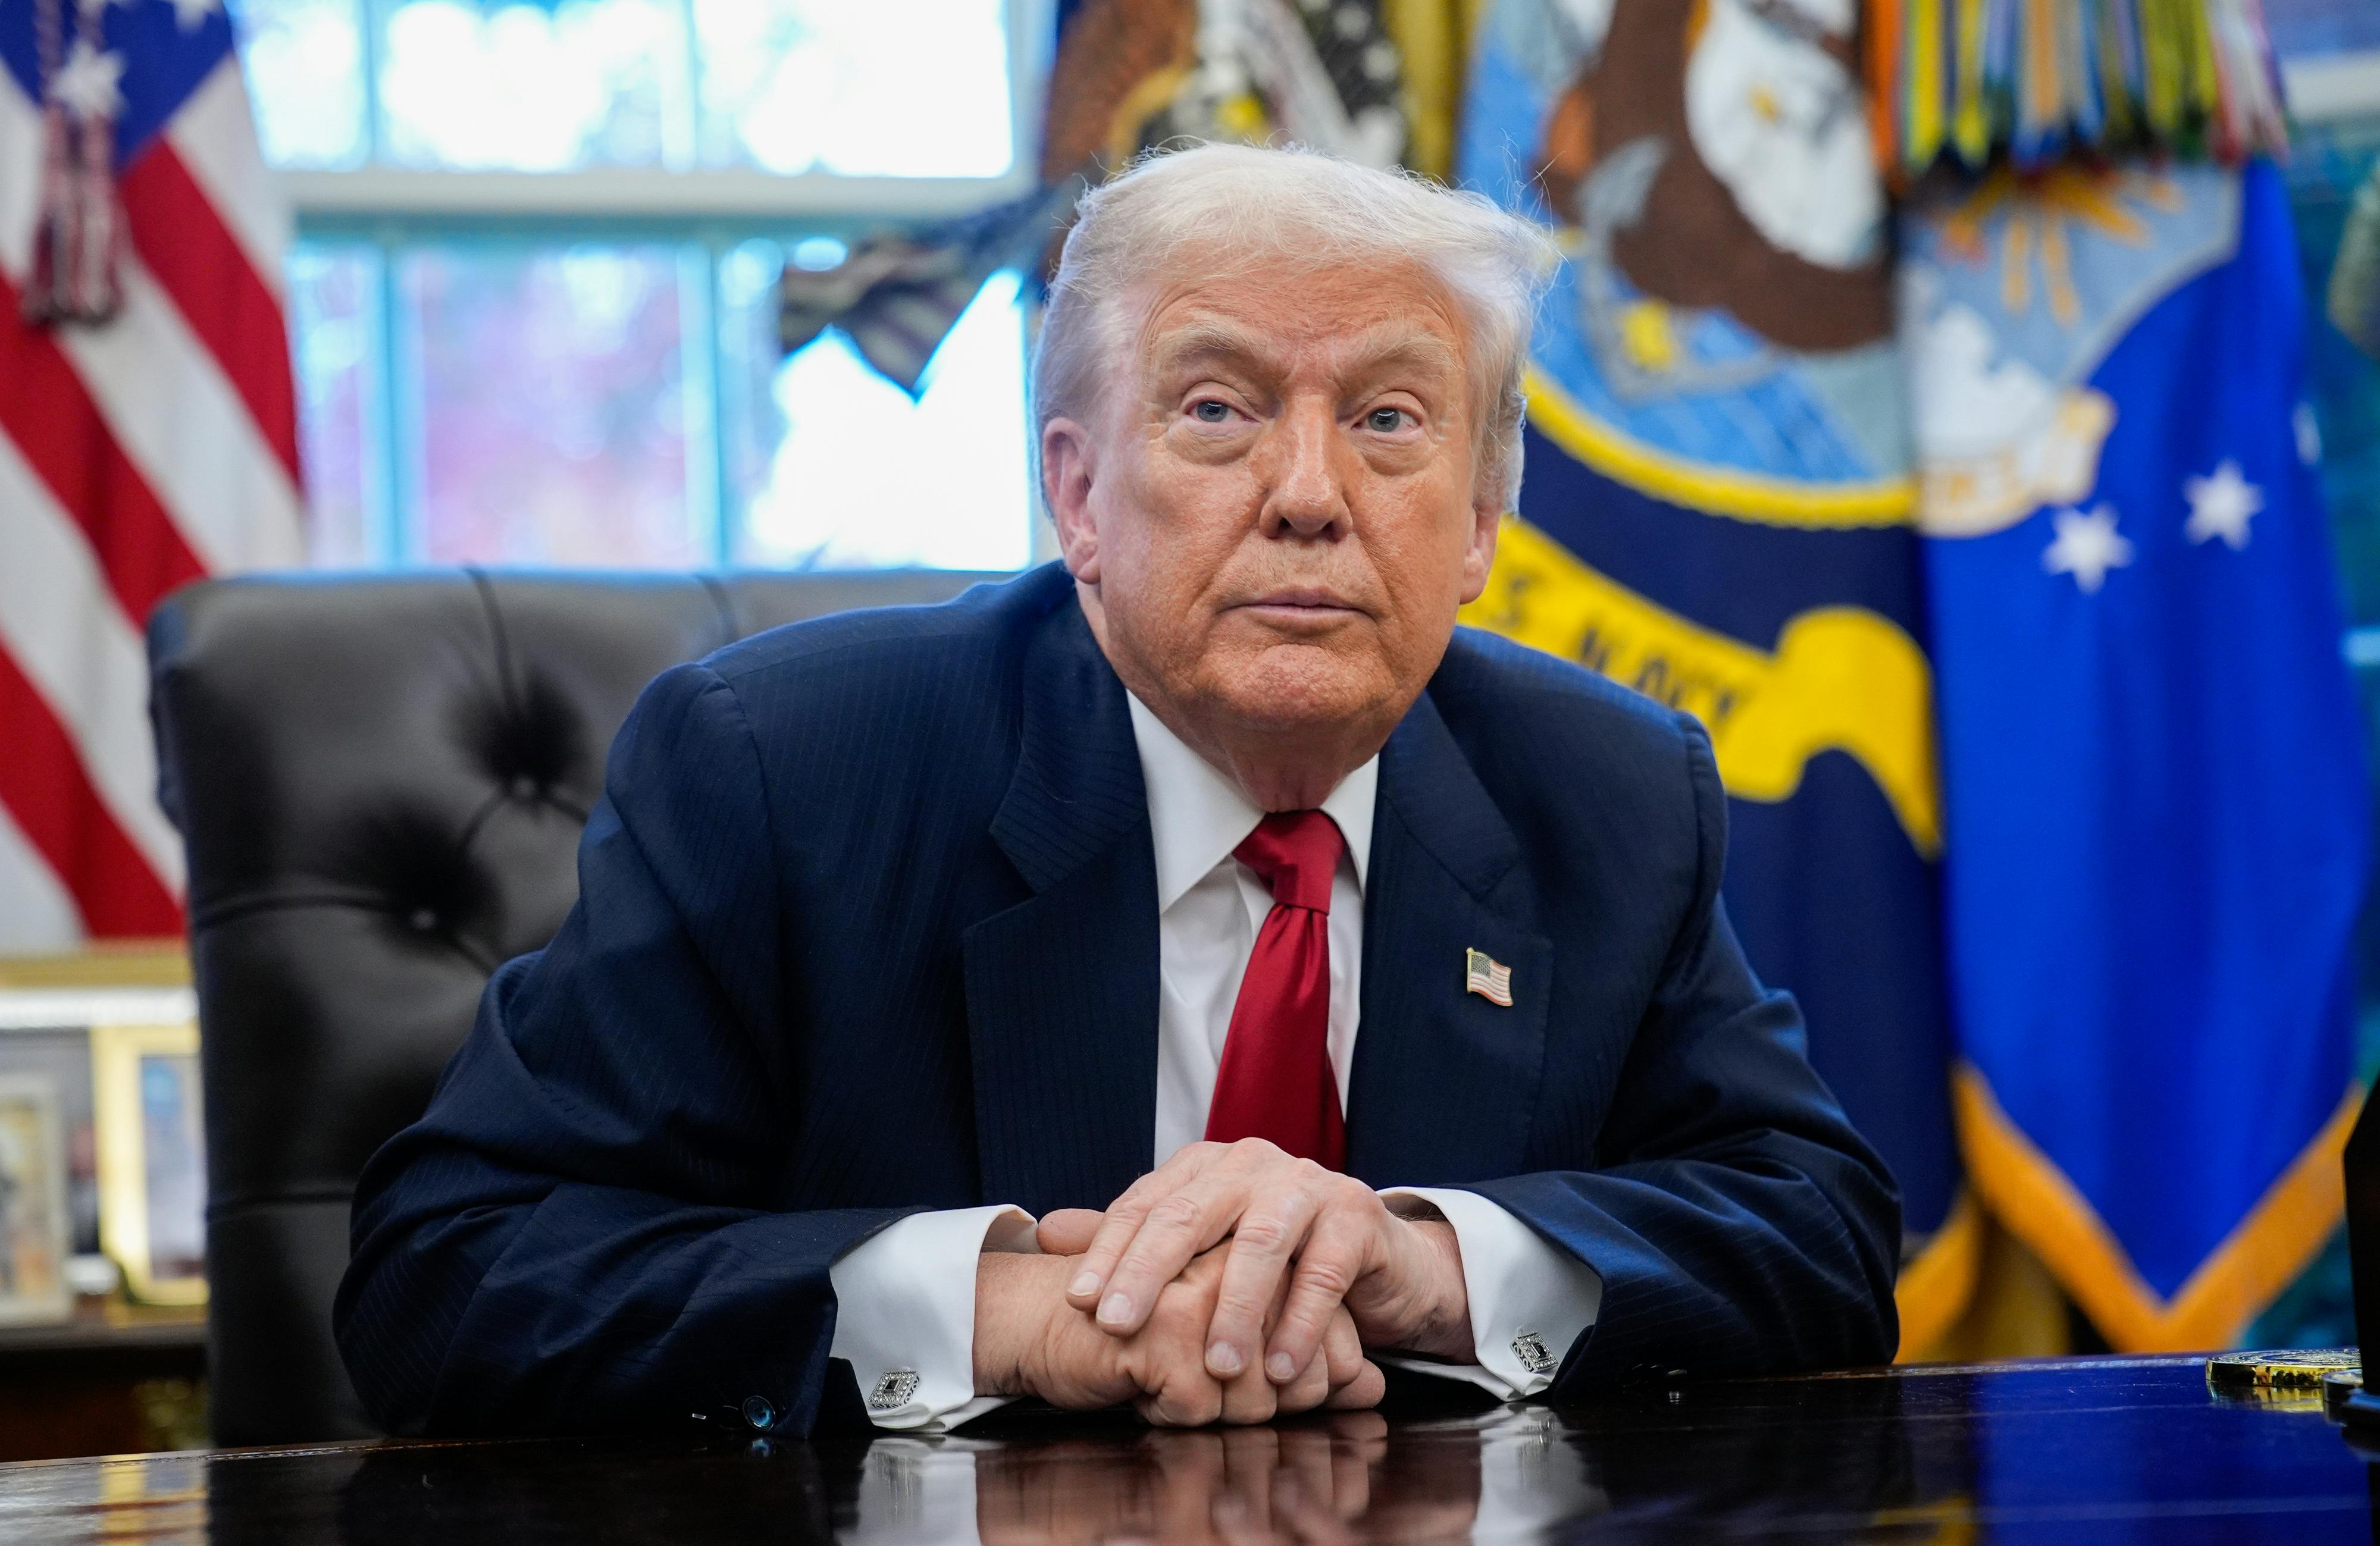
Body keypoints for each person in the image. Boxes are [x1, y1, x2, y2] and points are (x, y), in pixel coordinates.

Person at [336, 143, 1899, 1438]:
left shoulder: (1608, 792)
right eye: (1216, 407)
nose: (1306, 495)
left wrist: (1425, 1264)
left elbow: (1819, 1228)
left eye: (1389, 420)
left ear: (1483, 522)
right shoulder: (782, 772)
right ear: (1076, 491)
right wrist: (997, 1309)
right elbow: (454, 1271)